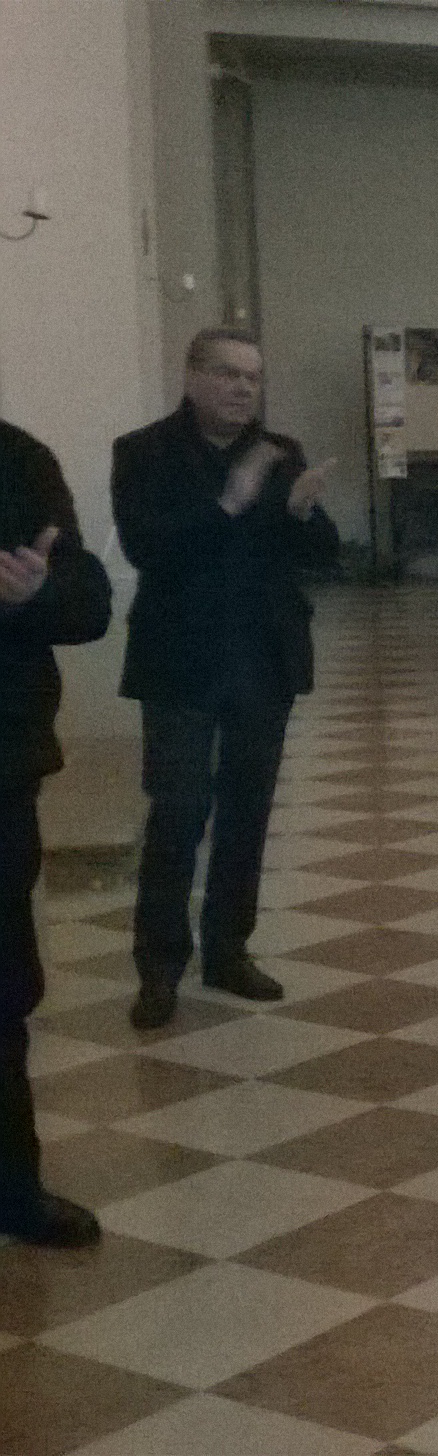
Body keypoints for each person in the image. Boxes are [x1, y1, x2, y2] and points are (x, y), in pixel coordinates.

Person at [114, 328, 341, 1029]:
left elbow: (322, 555)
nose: (244, 388)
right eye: (228, 373)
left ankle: (228, 951)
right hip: (179, 659)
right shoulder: (143, 452)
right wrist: (229, 502)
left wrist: (301, 512)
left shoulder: (280, 453)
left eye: (253, 377)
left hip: (262, 656)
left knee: (247, 811)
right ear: (191, 376)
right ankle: (159, 968)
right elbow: (146, 548)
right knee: (178, 812)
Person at [1, 416, 113, 1247]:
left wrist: (38, 592)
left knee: (3, 984)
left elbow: (88, 602)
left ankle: (12, 1186)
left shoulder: (17, 461)